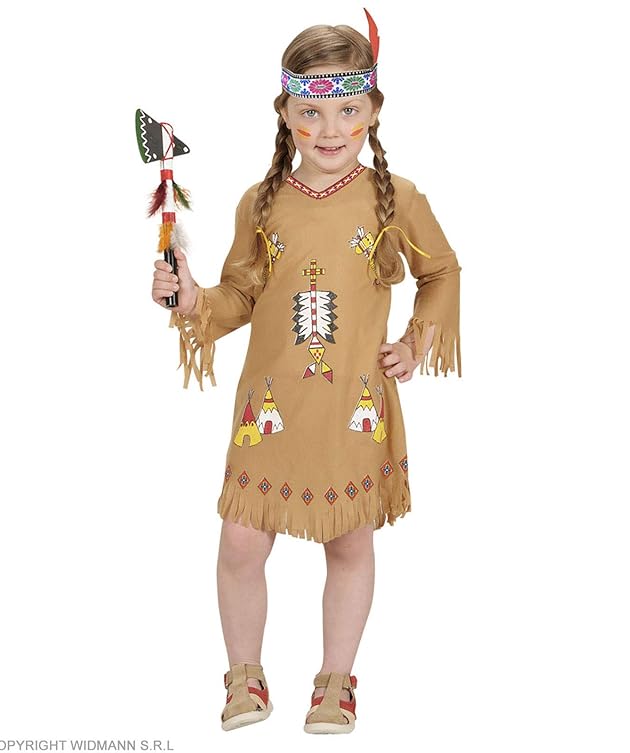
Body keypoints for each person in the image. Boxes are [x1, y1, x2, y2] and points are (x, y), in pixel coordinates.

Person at [151, 8, 462, 735]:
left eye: (347, 110)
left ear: (372, 111)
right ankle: (244, 675)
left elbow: (442, 271)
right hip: (272, 407)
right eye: (311, 112)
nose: (329, 130)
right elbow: (238, 297)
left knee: (348, 540)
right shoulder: (260, 204)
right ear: (286, 113)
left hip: (353, 401)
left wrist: (416, 341)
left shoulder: (397, 199)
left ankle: (335, 682)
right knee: (239, 541)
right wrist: (191, 298)